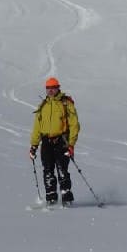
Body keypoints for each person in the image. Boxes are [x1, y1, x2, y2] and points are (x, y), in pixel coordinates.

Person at [29, 77, 80, 206]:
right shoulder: (43, 105)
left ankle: (67, 198)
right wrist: (34, 145)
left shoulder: (65, 103)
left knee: (62, 169)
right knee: (47, 170)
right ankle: (51, 199)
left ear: (58, 88)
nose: (50, 90)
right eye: (48, 88)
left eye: (53, 87)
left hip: (61, 141)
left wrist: (71, 144)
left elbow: (74, 125)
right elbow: (37, 127)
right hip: (46, 142)